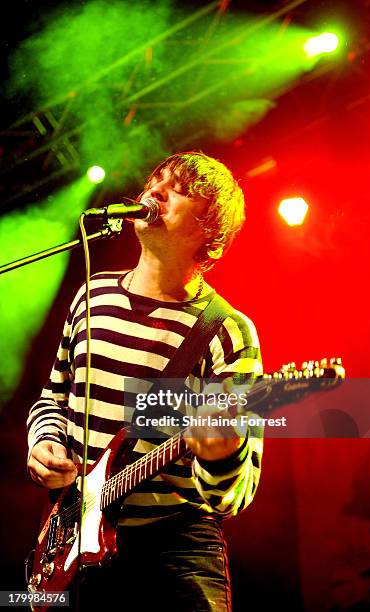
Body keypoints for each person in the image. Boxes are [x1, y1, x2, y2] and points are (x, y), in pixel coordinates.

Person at [27, 151, 263, 611]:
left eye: (179, 189)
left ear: (209, 235)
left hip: (174, 553)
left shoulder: (226, 330)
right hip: (75, 544)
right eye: (156, 178)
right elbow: (53, 396)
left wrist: (222, 452)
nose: (155, 190)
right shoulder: (91, 296)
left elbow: (235, 493)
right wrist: (42, 443)